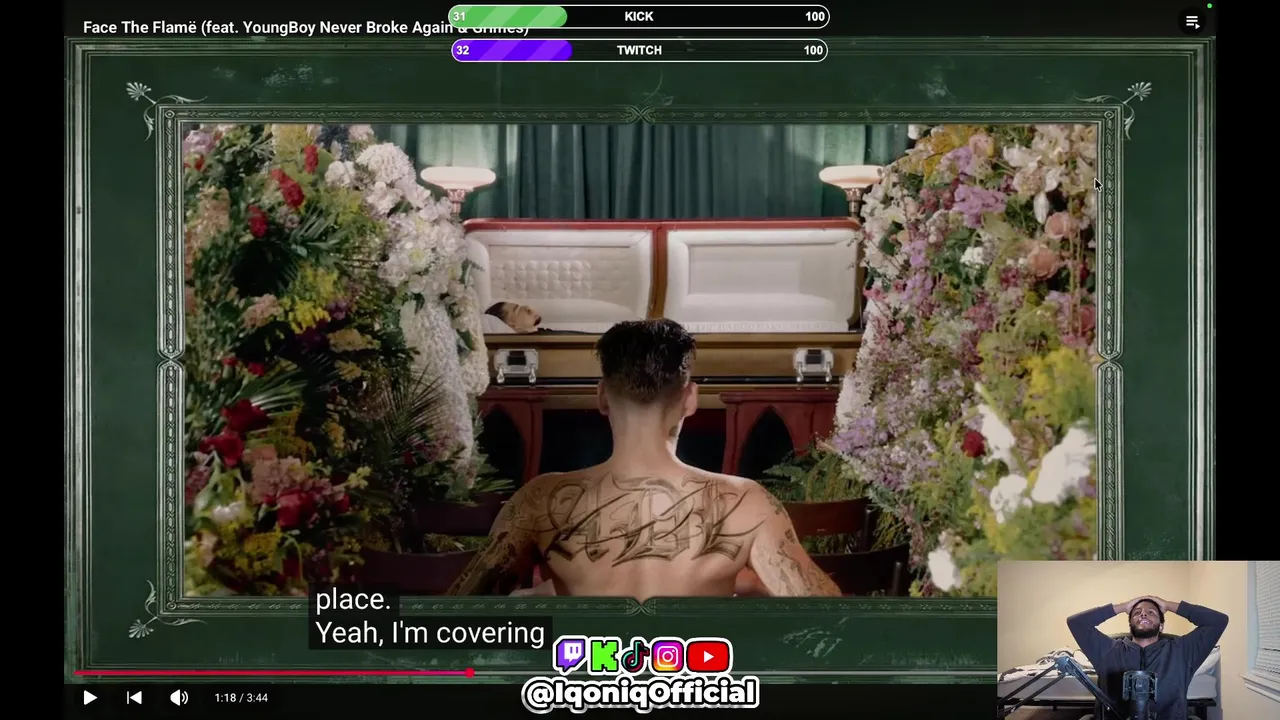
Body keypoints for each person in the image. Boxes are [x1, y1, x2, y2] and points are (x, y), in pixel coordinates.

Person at [448, 318, 841, 599]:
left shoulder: (542, 499)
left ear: (602, 396)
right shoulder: (745, 503)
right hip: (696, 682)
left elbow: (455, 616)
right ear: (690, 399)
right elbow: (831, 616)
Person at [1066, 596, 1228, 720]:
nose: (1143, 613)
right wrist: (1122, 607)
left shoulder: (1182, 651)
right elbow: (1076, 623)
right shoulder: (1107, 650)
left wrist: (1168, 605)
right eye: (1137, 612)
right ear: (1130, 625)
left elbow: (1218, 621)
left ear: (1161, 625)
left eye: (1151, 612)